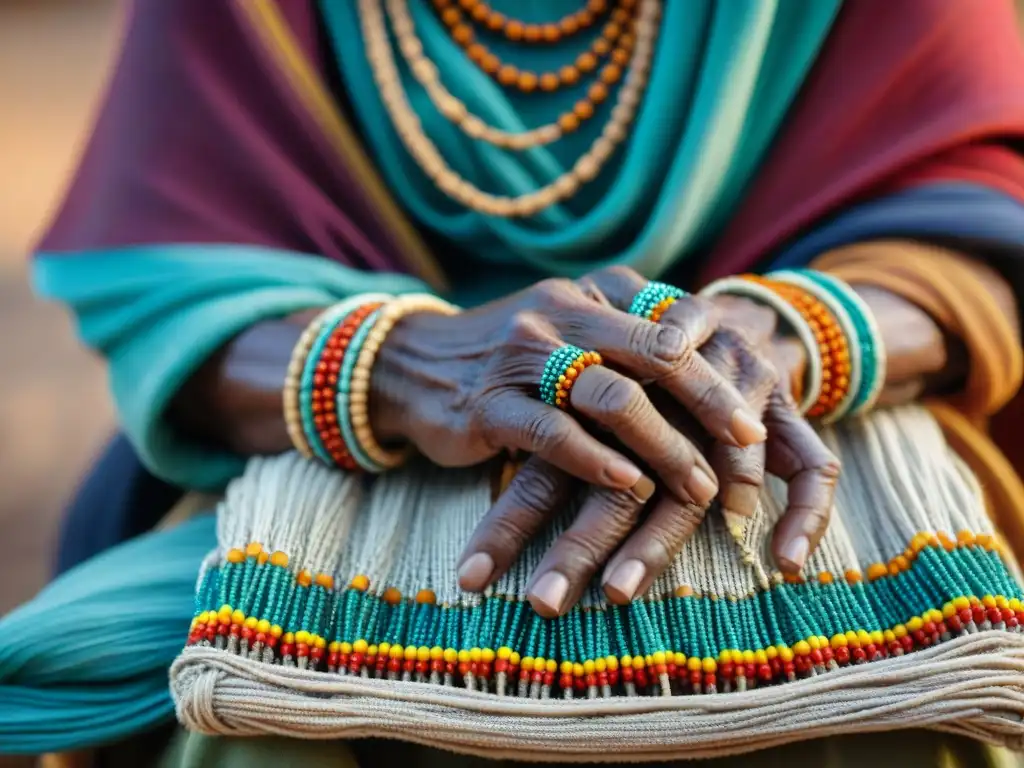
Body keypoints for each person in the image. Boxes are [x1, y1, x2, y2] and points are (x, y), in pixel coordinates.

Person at [12, 0, 1024, 765]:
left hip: (778, 418)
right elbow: (177, 276)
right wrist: (406, 364)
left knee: (894, 694)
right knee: (236, 704)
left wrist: (764, 345)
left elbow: (983, 203)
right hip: (364, 440)